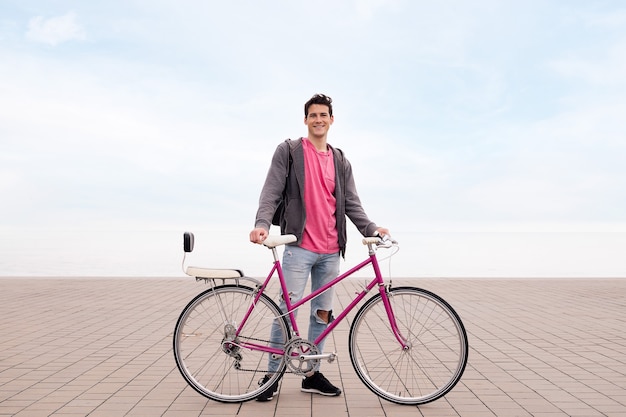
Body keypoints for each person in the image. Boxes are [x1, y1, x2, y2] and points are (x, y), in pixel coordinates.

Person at [249, 93, 389, 402]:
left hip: (330, 250)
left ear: (331, 119)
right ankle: (272, 375)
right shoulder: (290, 151)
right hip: (299, 246)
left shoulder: (340, 160)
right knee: (286, 311)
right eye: (313, 115)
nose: (318, 119)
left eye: (323, 115)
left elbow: (351, 202)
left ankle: (311, 375)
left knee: (322, 314)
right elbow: (271, 189)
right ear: (306, 120)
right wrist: (261, 223)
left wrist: (370, 228)